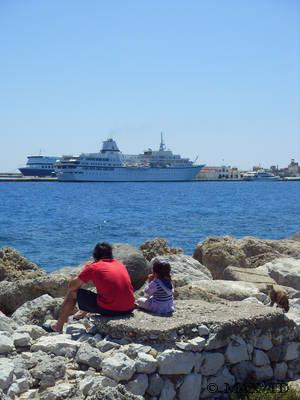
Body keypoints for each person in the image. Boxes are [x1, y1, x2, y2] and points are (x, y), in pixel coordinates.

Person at [42, 242, 135, 333]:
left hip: (112, 310)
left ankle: (58, 326)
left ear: (95, 256)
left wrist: (87, 269)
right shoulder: (119, 264)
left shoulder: (94, 267)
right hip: (129, 308)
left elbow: (71, 287)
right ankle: (82, 313)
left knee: (72, 294)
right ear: (110, 255)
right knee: (103, 289)